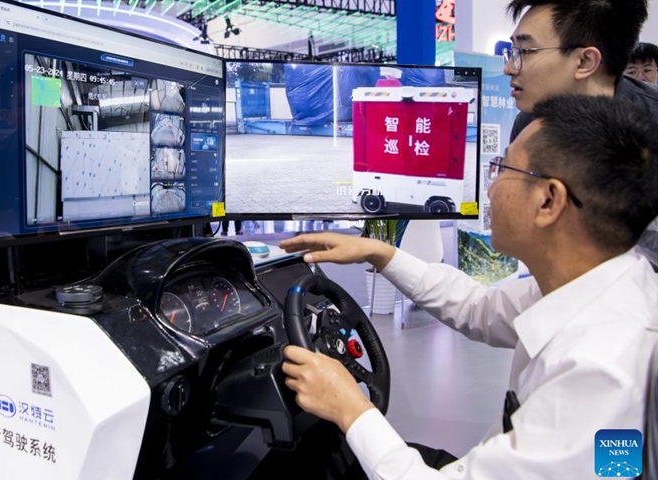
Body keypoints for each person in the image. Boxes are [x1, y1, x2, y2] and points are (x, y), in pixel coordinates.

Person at [278, 95, 658, 479]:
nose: (490, 188)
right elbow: (478, 306)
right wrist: (380, 253)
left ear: (549, 200)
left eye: (504, 168)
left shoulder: (600, 369)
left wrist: (349, 406)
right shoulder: (598, 283)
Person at [504, 0, 658, 142]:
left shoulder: (652, 119)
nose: (509, 68)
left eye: (525, 51)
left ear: (585, 62)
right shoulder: (528, 124)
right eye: (513, 51)